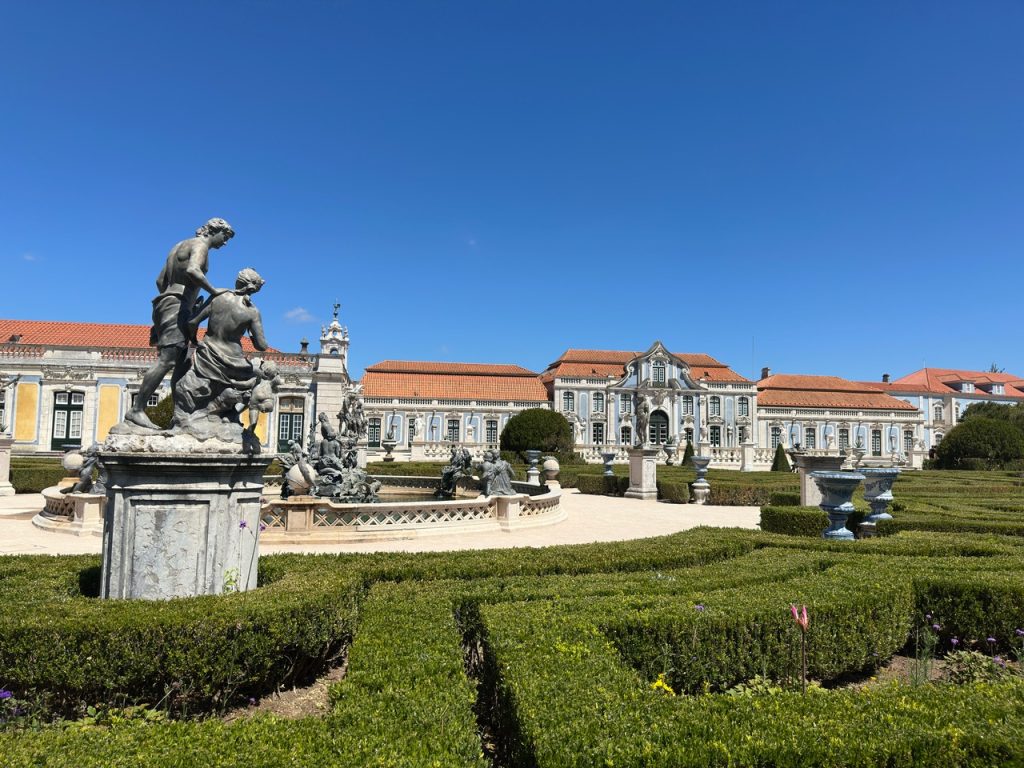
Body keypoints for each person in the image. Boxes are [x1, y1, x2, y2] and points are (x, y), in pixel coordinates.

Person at [126, 218, 234, 429]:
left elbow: (160, 281)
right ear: (215, 231)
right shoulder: (201, 245)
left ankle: (180, 414)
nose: (225, 243)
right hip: (177, 305)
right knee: (167, 360)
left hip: (169, 303)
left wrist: (173, 301)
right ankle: (137, 409)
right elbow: (193, 270)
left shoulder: (178, 246)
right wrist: (214, 291)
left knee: (183, 363)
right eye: (225, 237)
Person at [173, 267, 267, 429]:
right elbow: (261, 346)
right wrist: (250, 331)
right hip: (234, 364)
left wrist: (195, 340)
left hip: (207, 355)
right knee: (257, 383)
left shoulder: (218, 297)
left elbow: (193, 322)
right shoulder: (252, 312)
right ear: (253, 288)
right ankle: (230, 416)